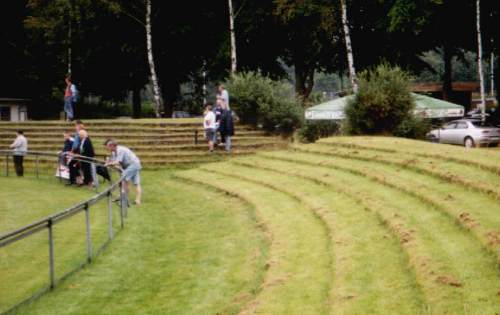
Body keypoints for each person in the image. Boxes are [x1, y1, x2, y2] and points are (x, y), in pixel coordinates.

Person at [104, 139, 142, 205]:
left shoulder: (120, 150)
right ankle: (135, 200)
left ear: (112, 146)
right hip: (132, 165)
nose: (106, 148)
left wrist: (108, 164)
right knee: (134, 183)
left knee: (124, 181)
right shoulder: (114, 152)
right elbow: (114, 162)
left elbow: (117, 162)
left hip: (133, 164)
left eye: (107, 146)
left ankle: (124, 199)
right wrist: (108, 161)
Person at [67, 120, 84, 186]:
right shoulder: (81, 132)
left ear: (79, 125)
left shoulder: (79, 133)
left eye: (76, 125)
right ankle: (77, 181)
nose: (75, 127)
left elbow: (76, 144)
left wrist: (72, 151)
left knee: (73, 165)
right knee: (74, 165)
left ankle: (77, 181)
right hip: (78, 151)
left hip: (77, 151)